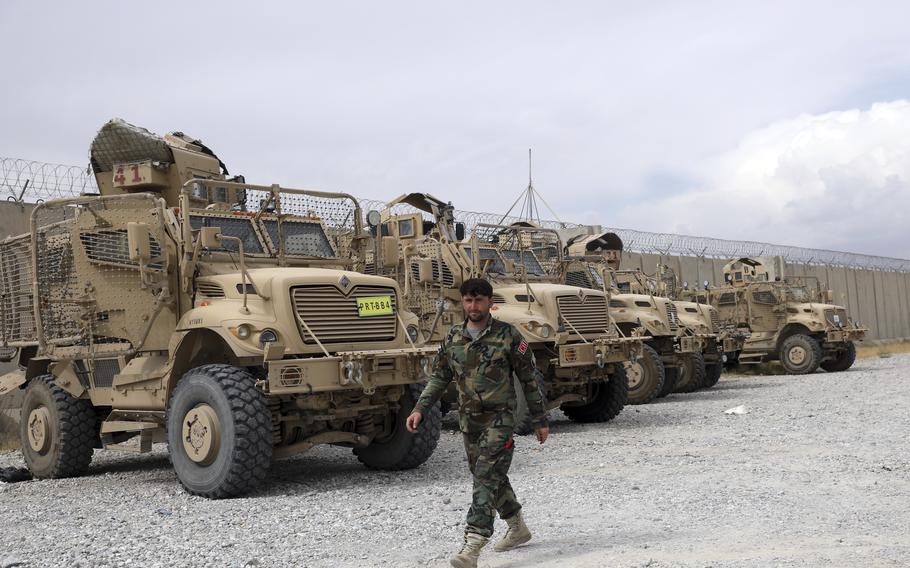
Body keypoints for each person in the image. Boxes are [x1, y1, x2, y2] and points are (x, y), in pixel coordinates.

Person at [406, 277, 549, 568]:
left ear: (489, 302)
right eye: (468, 301)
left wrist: (539, 418)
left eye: (479, 300)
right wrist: (420, 409)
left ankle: (472, 544)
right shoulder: (453, 337)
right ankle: (518, 527)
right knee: (490, 476)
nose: (473, 306)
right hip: (469, 421)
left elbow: (529, 379)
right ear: (463, 302)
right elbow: (439, 377)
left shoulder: (508, 335)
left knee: (484, 475)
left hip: (501, 419)